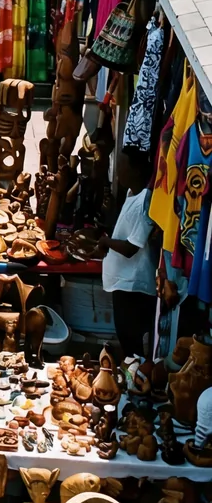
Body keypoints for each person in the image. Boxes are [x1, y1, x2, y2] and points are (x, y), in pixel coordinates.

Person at [103, 146, 158, 359]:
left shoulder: (146, 200)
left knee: (133, 342)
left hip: (134, 286)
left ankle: (135, 381)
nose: (118, 172)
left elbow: (131, 247)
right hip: (122, 282)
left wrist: (106, 242)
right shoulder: (130, 194)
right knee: (125, 337)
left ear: (135, 171)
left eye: (122, 167)